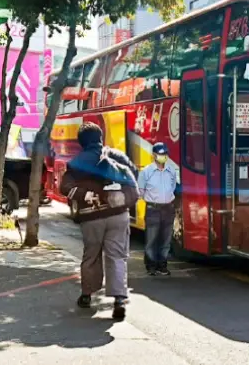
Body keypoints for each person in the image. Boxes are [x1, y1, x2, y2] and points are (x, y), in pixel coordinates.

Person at [60, 122, 138, 320]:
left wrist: (86, 195)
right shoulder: (118, 157)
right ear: (101, 138)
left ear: (81, 142)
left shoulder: (76, 162)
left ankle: (87, 295)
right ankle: (119, 299)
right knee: (117, 256)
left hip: (91, 216)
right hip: (118, 215)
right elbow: (133, 182)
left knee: (91, 255)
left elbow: (65, 187)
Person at [138, 143, 177, 276]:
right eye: (160, 154)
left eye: (165, 154)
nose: (163, 157)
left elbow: (172, 187)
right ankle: (151, 266)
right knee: (152, 239)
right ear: (154, 155)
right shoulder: (146, 172)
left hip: (168, 208)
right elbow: (141, 191)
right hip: (153, 208)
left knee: (166, 239)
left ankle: (162, 265)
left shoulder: (171, 170)